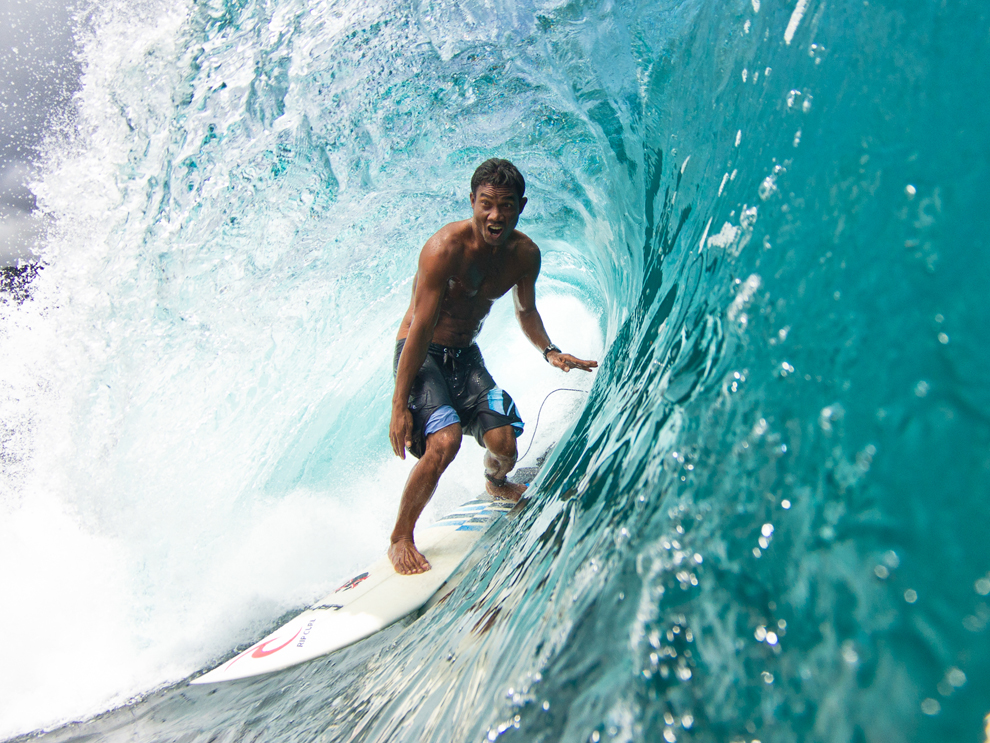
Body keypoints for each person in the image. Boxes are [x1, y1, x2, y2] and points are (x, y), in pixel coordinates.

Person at [388, 158, 598, 575]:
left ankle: (496, 484)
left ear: (521, 206)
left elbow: (526, 311)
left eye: (505, 205)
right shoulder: (443, 250)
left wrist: (550, 350)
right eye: (486, 204)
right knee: (445, 442)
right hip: (421, 352)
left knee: (504, 445)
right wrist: (398, 406)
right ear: (472, 201)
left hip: (466, 356)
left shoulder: (524, 255)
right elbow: (420, 327)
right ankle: (400, 537)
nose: (495, 215)